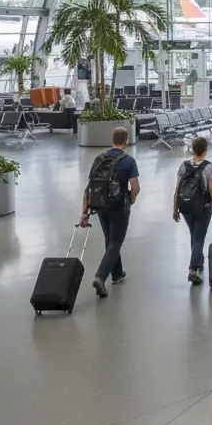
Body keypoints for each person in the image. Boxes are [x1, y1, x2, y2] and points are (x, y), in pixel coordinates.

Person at [79, 126, 140, 298]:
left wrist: (84, 212)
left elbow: (89, 188)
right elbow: (135, 187)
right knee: (116, 242)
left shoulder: (99, 159)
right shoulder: (128, 160)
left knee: (110, 239)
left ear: (112, 140)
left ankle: (117, 273)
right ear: (126, 141)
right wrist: (132, 198)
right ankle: (100, 276)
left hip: (100, 205)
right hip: (119, 205)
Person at [173, 136, 212, 284]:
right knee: (199, 238)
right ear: (205, 151)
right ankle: (193, 269)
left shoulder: (184, 166)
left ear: (192, 149)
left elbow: (177, 189)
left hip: (185, 206)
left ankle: (199, 260)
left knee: (194, 234)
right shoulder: (209, 167)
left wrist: (175, 208)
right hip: (203, 207)